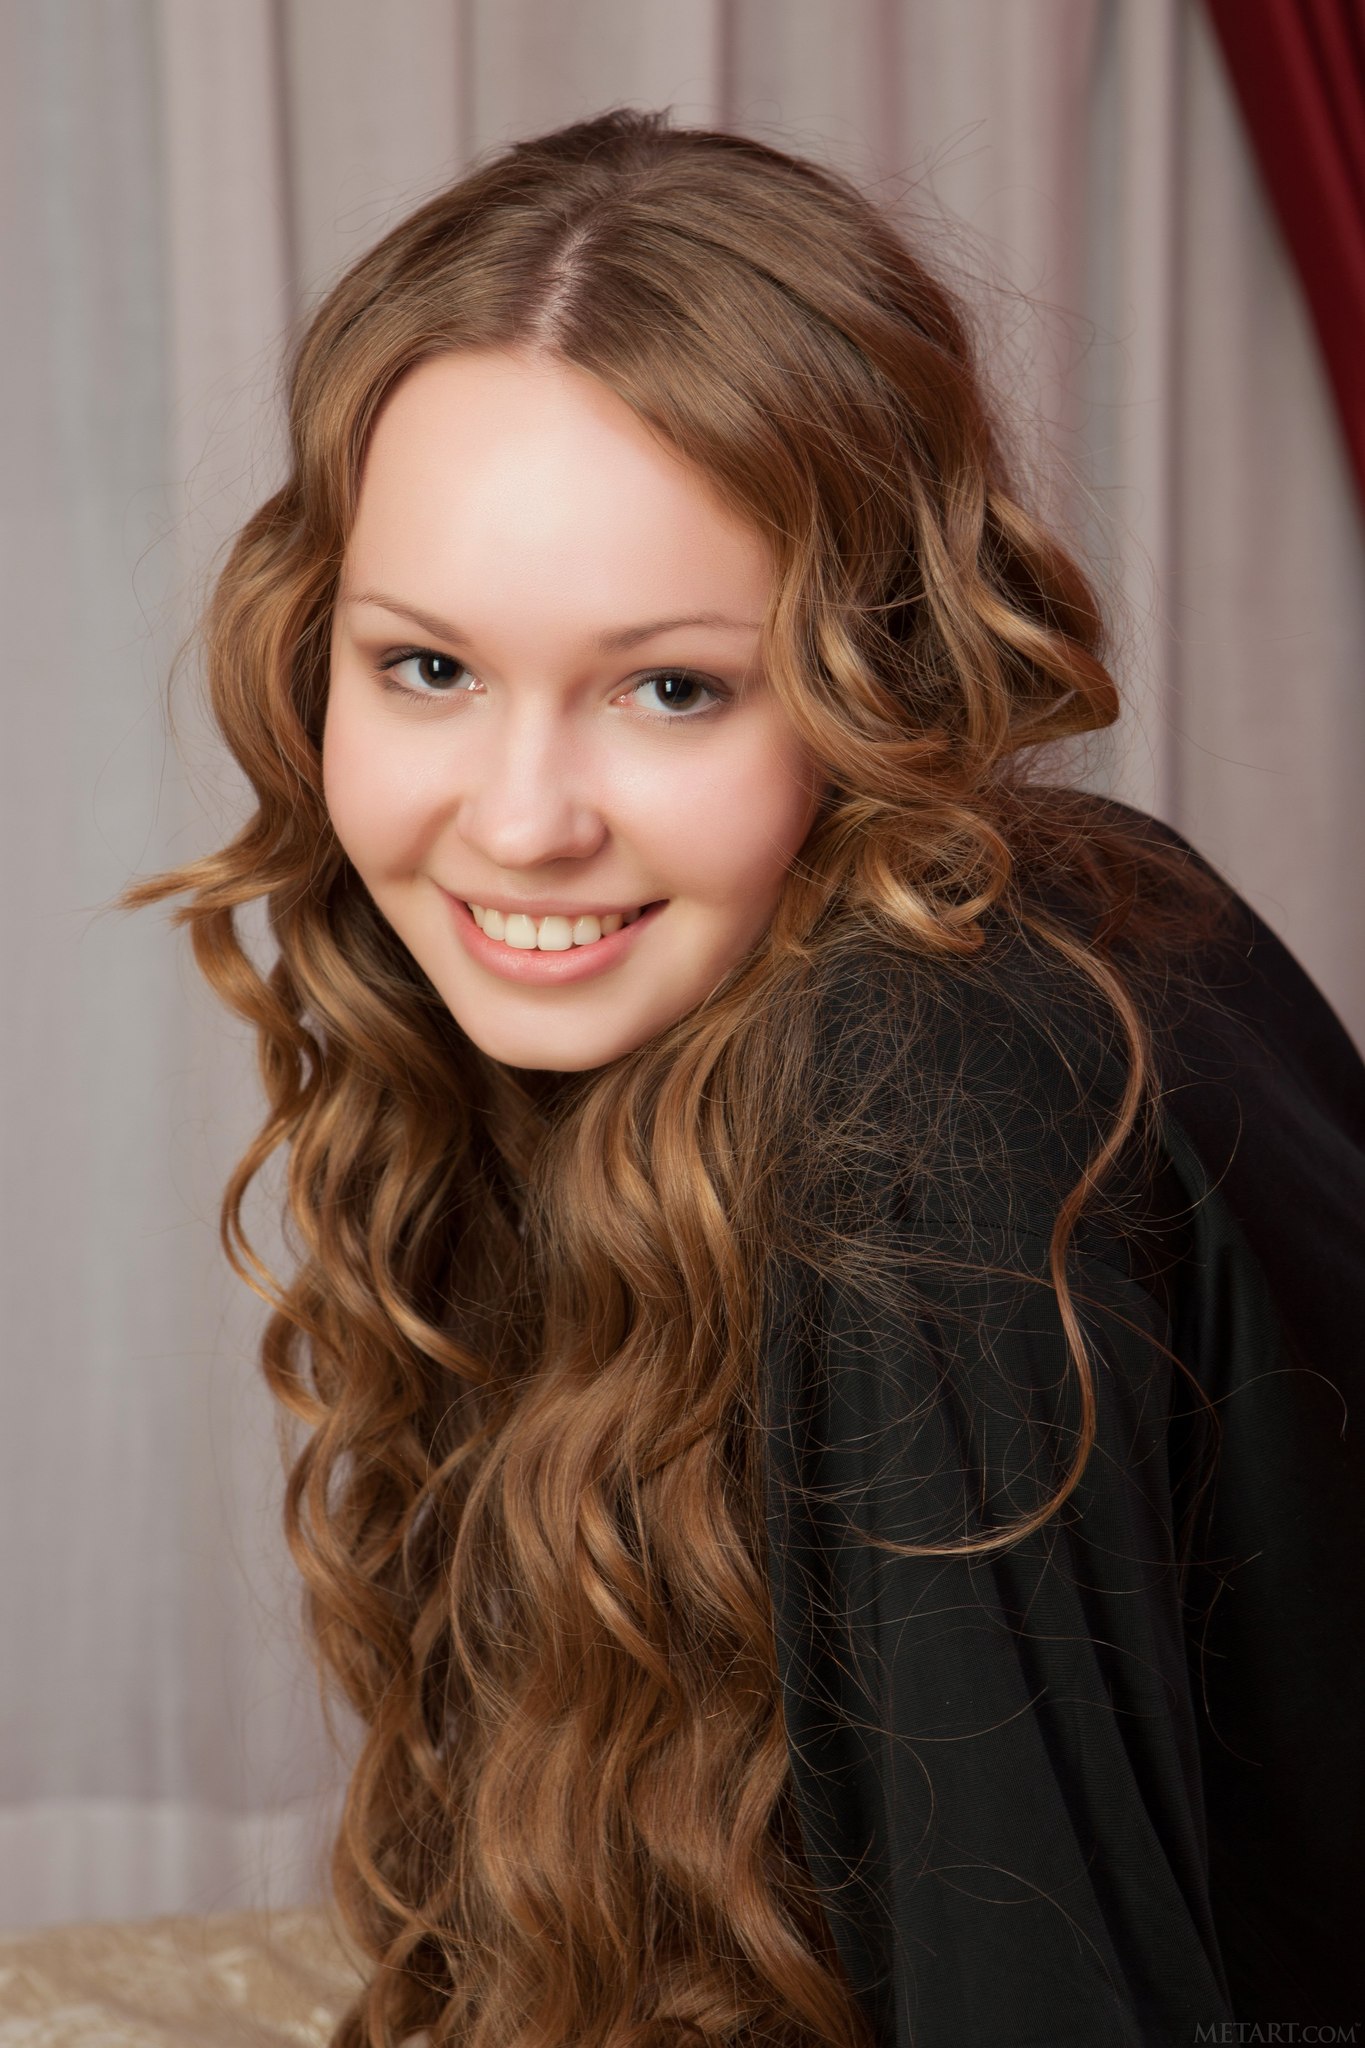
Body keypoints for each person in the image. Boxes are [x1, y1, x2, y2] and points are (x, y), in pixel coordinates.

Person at [122, 110, 1365, 2047]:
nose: (519, 822)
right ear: (314, 653)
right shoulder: (853, 964)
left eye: (670, 687)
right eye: (428, 668)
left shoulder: (935, 1082)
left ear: (880, 678)